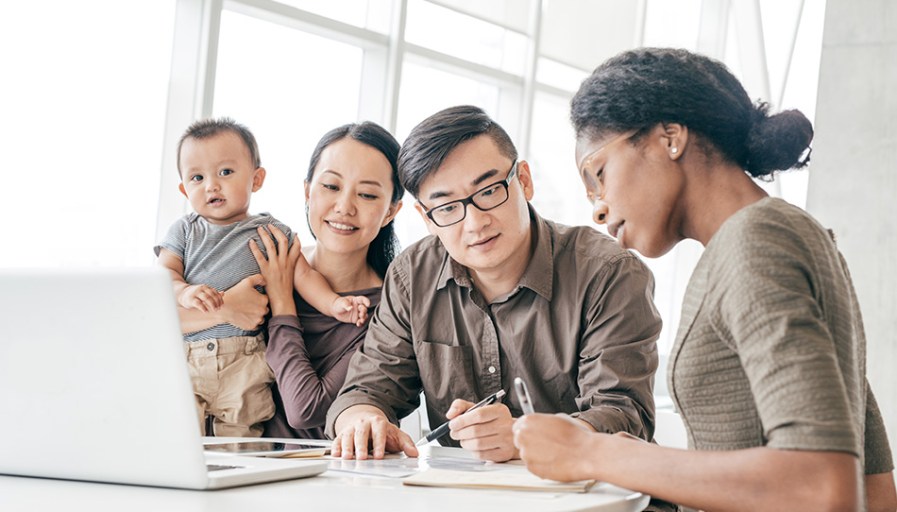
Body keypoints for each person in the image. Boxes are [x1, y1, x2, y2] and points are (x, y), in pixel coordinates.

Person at [512, 47, 897, 512]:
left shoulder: (756, 241)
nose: (597, 208)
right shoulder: (792, 234)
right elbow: (873, 484)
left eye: (599, 174)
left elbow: (821, 484)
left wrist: (592, 452)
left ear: (669, 138)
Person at [326, 105, 663, 463]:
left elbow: (624, 417)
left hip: (591, 493)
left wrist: (524, 439)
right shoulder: (411, 275)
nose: (474, 223)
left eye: (488, 191)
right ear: (426, 218)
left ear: (525, 181)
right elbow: (367, 388)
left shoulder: (608, 273)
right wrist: (363, 419)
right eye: (447, 208)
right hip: (469, 496)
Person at [155, 117, 369, 436]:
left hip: (246, 361)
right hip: (188, 359)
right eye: (197, 177)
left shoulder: (271, 232)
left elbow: (303, 274)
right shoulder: (184, 231)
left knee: (239, 442)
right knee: (177, 437)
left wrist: (334, 304)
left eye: (225, 172)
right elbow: (164, 277)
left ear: (256, 179)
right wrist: (184, 292)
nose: (211, 185)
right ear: (185, 189)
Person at [251, 122, 404, 439]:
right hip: (223, 463)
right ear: (308, 191)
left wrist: (282, 304)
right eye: (331, 187)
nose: (344, 207)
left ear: (391, 211)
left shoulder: (387, 312)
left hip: (319, 479)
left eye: (366, 194)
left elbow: (306, 409)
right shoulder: (269, 261)